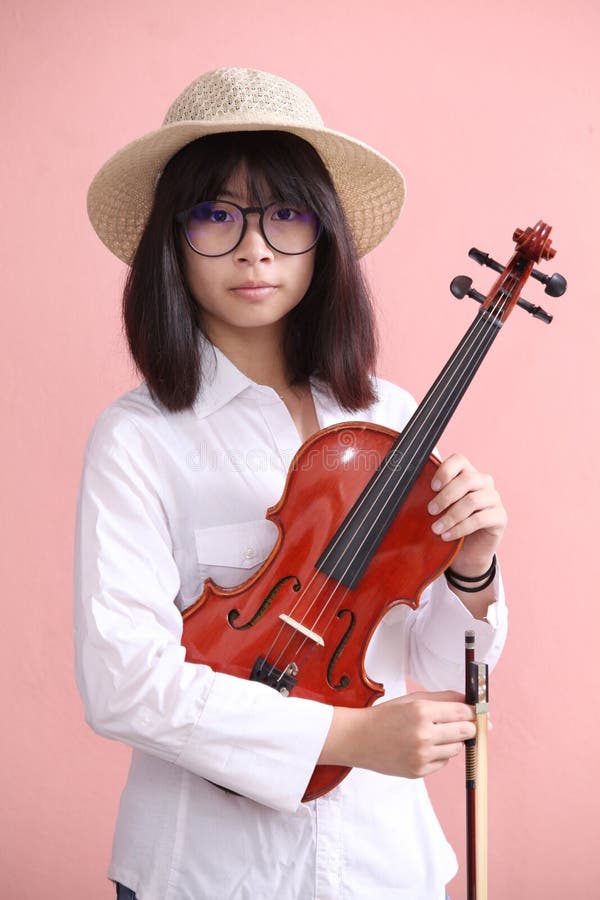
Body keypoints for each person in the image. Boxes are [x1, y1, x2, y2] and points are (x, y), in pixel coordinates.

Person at [74, 67, 508, 900]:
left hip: (386, 862)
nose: (254, 247)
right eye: (215, 215)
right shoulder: (138, 438)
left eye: (285, 214)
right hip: (205, 870)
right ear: (173, 238)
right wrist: (345, 735)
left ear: (324, 236)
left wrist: (472, 570)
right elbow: (124, 681)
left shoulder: (391, 413)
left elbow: (429, 657)